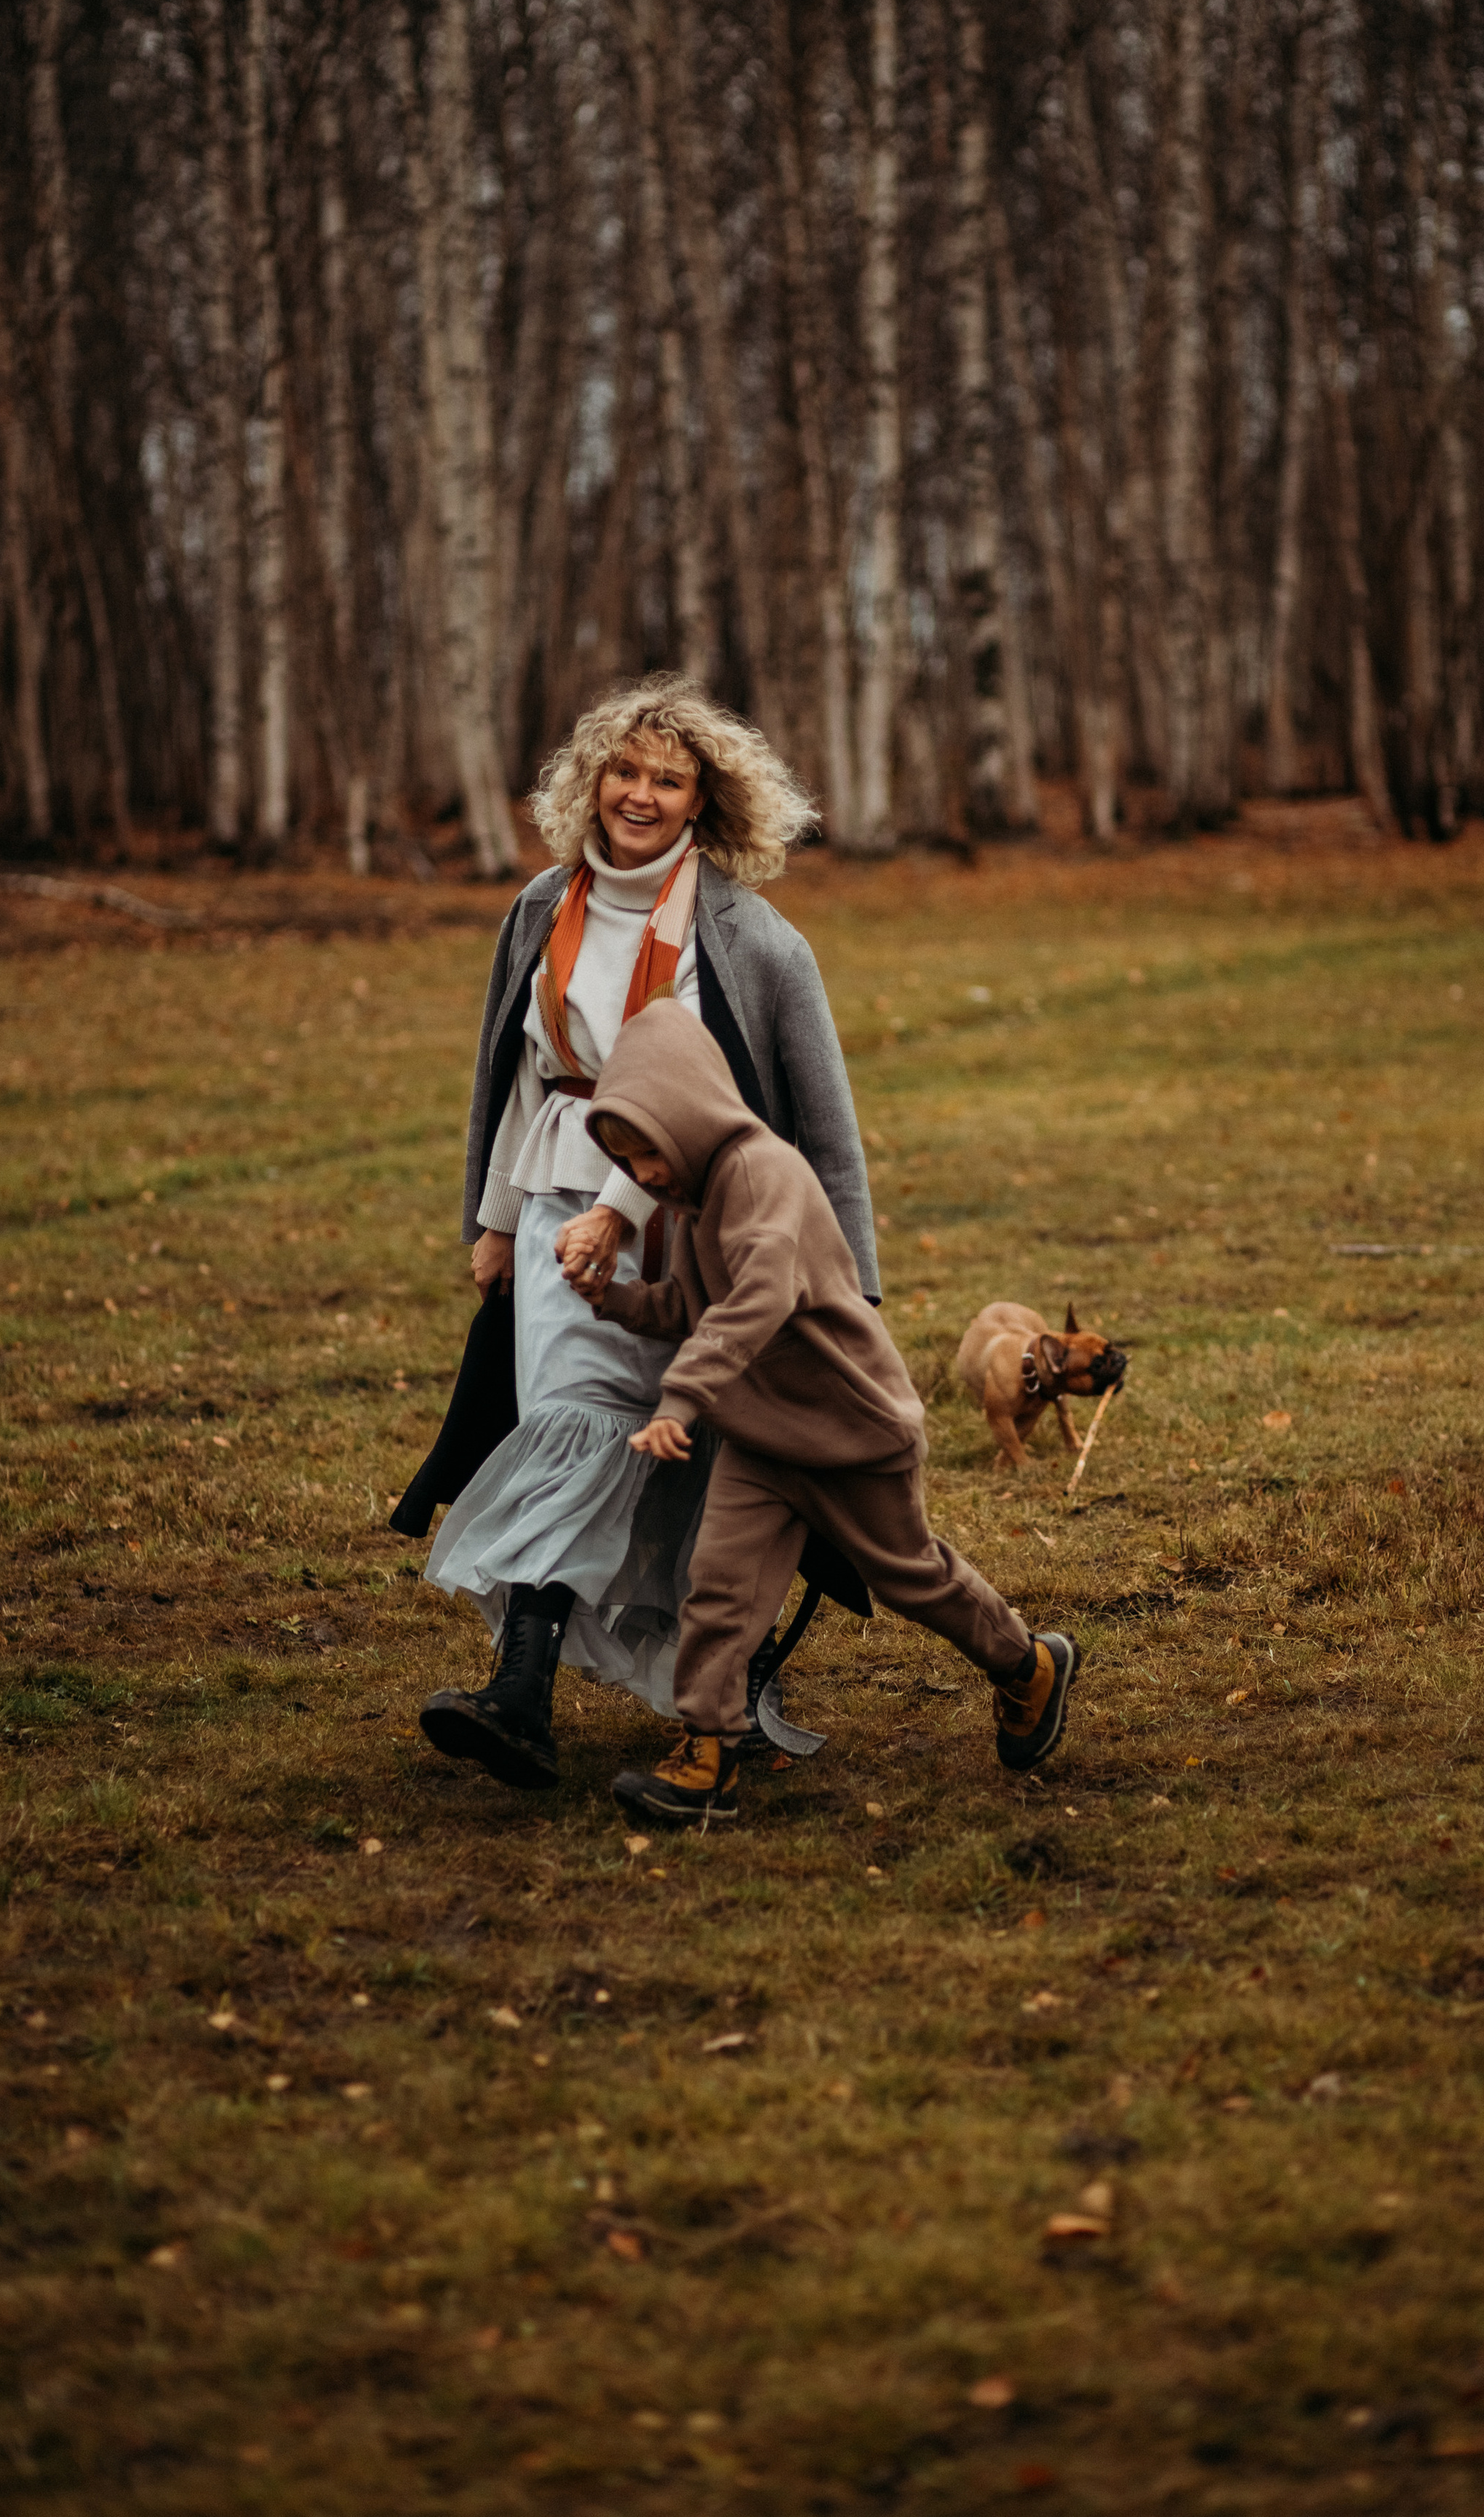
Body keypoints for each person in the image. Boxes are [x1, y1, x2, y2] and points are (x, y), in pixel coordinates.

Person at [416, 679, 877, 1794]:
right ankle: (521, 1694)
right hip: (554, 1210)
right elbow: (513, 1076)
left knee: (704, 1453)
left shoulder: (759, 944)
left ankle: (723, 1684)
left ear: (702, 802)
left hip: (694, 1230)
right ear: (592, 781)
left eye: (667, 778)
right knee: (574, 1425)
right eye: (624, 771)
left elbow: (825, 1128)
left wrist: (853, 1286)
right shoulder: (539, 909)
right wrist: (491, 1222)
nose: (640, 793)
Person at [562, 1002, 1079, 1829]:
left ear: (689, 1112)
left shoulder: (763, 1175)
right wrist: (615, 1300)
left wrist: (684, 1396)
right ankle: (708, 1754)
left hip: (850, 1429)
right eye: (626, 1161)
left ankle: (1028, 1666)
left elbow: (760, 1297)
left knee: (911, 1578)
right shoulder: (697, 1204)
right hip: (764, 1438)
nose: (645, 1175)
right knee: (719, 1589)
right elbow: (696, 1306)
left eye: (647, 1151)